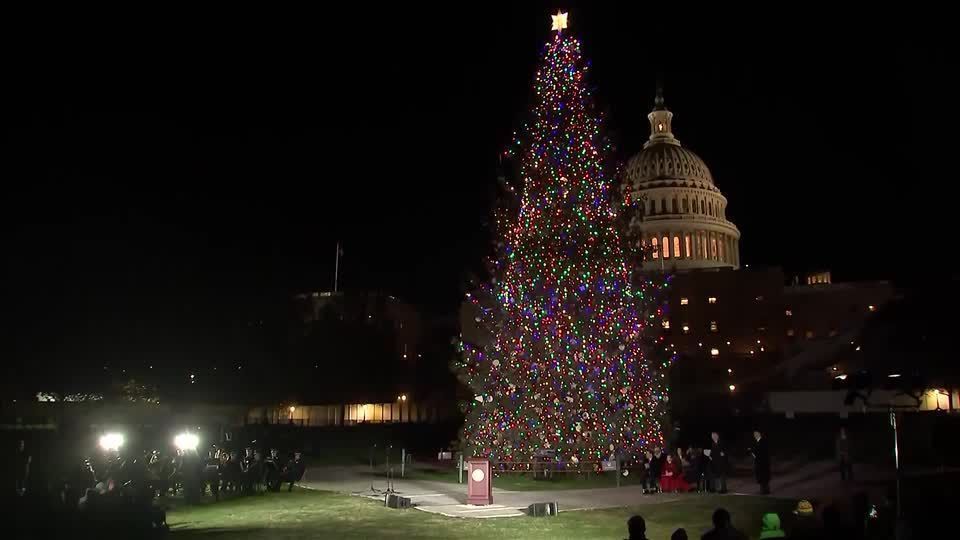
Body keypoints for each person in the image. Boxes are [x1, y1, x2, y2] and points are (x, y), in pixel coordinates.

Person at [750, 430, 771, 494]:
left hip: (762, 462)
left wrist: (752, 452)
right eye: (754, 435)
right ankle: (764, 490)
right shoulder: (758, 442)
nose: (755, 436)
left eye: (756, 434)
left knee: (763, 477)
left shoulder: (762, 442)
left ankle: (764, 491)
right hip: (761, 462)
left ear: (759, 435)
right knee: (762, 477)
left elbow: (760, 453)